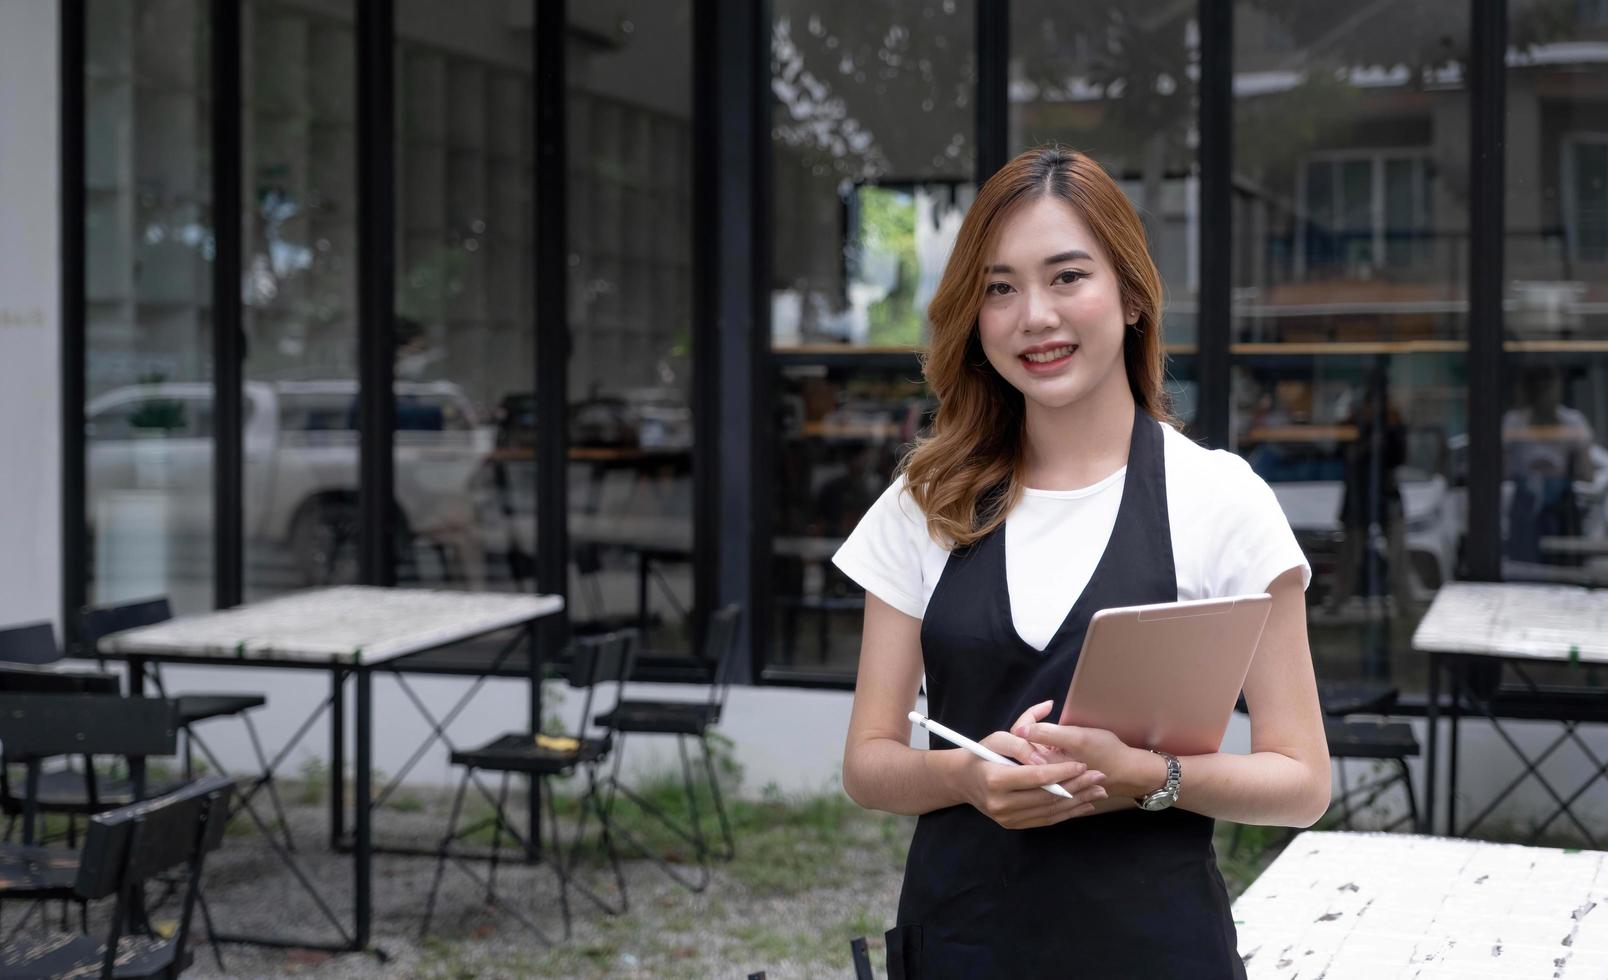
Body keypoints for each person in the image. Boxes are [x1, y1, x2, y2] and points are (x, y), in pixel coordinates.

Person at [833, 146, 1330, 978]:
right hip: (963, 948)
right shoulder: (927, 501)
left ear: (1132, 296)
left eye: (1068, 277)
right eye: (999, 287)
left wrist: (1147, 775)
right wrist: (967, 777)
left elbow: (1301, 781)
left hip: (1157, 954)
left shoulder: (1219, 502)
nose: (1034, 315)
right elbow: (868, 763)